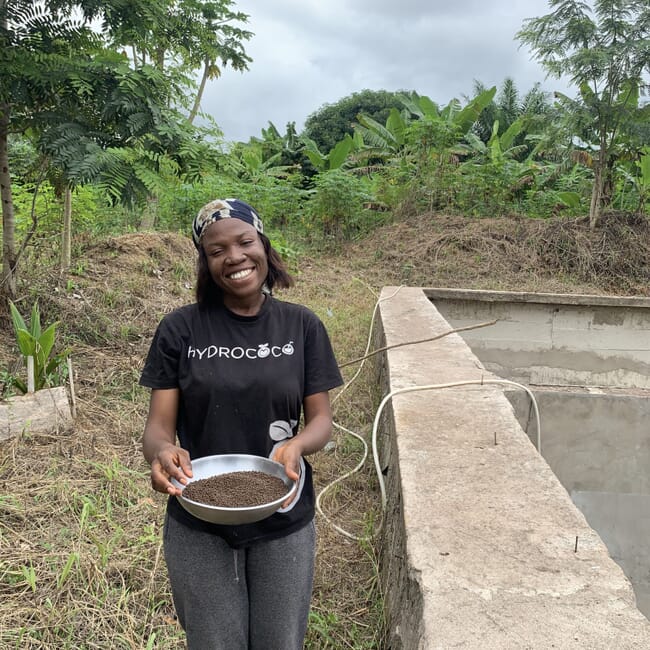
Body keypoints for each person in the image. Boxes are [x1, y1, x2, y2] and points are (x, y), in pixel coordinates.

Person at [139, 198, 343, 650]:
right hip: (199, 514)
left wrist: (297, 445)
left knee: (279, 641)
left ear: (263, 246)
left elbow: (322, 421)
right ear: (205, 263)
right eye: (216, 250)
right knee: (213, 642)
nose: (234, 257)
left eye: (244, 241)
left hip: (284, 512)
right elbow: (158, 428)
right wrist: (161, 453)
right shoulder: (180, 330)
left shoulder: (302, 326)